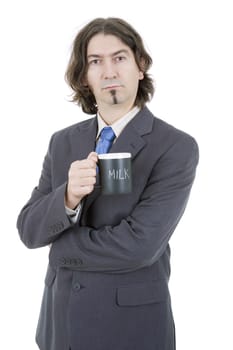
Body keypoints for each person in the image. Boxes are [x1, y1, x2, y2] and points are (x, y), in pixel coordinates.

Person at [17, 17, 199, 350]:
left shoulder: (176, 147)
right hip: (60, 331)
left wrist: (61, 247)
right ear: (84, 77)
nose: (109, 71)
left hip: (131, 331)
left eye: (119, 58)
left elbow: (140, 245)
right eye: (95, 62)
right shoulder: (62, 143)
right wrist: (68, 197)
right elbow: (29, 229)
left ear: (139, 66)